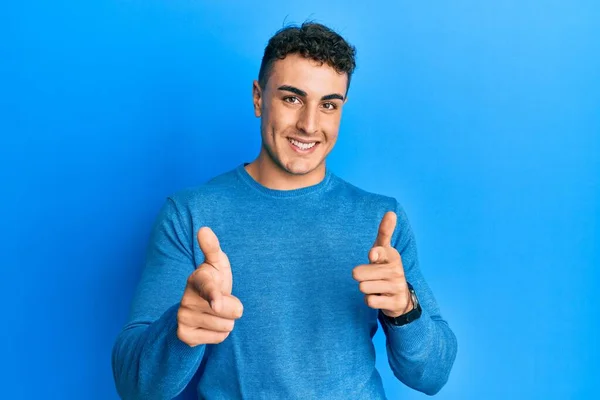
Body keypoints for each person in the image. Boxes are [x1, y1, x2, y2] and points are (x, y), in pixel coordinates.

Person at [112, 22, 457, 400]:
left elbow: (433, 375)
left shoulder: (381, 221)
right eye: (292, 98)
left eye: (328, 105)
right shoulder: (189, 214)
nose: (309, 125)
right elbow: (135, 386)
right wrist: (179, 329)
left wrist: (404, 308)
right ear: (259, 98)